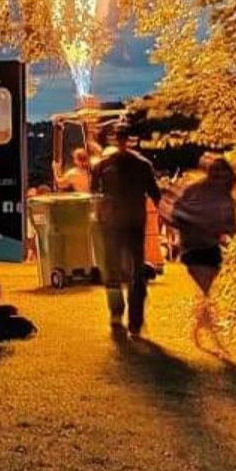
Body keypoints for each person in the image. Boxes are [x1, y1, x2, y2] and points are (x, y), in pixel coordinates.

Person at [90, 122, 162, 337]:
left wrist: (100, 213)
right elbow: (156, 195)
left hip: (114, 223)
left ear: (114, 139)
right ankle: (135, 323)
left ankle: (116, 313)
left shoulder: (103, 165)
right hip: (133, 221)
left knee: (113, 270)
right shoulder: (142, 165)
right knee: (136, 272)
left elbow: (95, 195)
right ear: (131, 140)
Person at [167, 156, 236, 347]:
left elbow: (230, 224)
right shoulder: (194, 190)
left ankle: (200, 326)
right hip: (192, 246)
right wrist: (193, 224)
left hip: (211, 247)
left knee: (206, 291)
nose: (216, 174)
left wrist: (230, 231)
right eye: (213, 170)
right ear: (208, 171)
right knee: (205, 287)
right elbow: (177, 213)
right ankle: (210, 332)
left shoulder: (225, 195)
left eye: (220, 171)